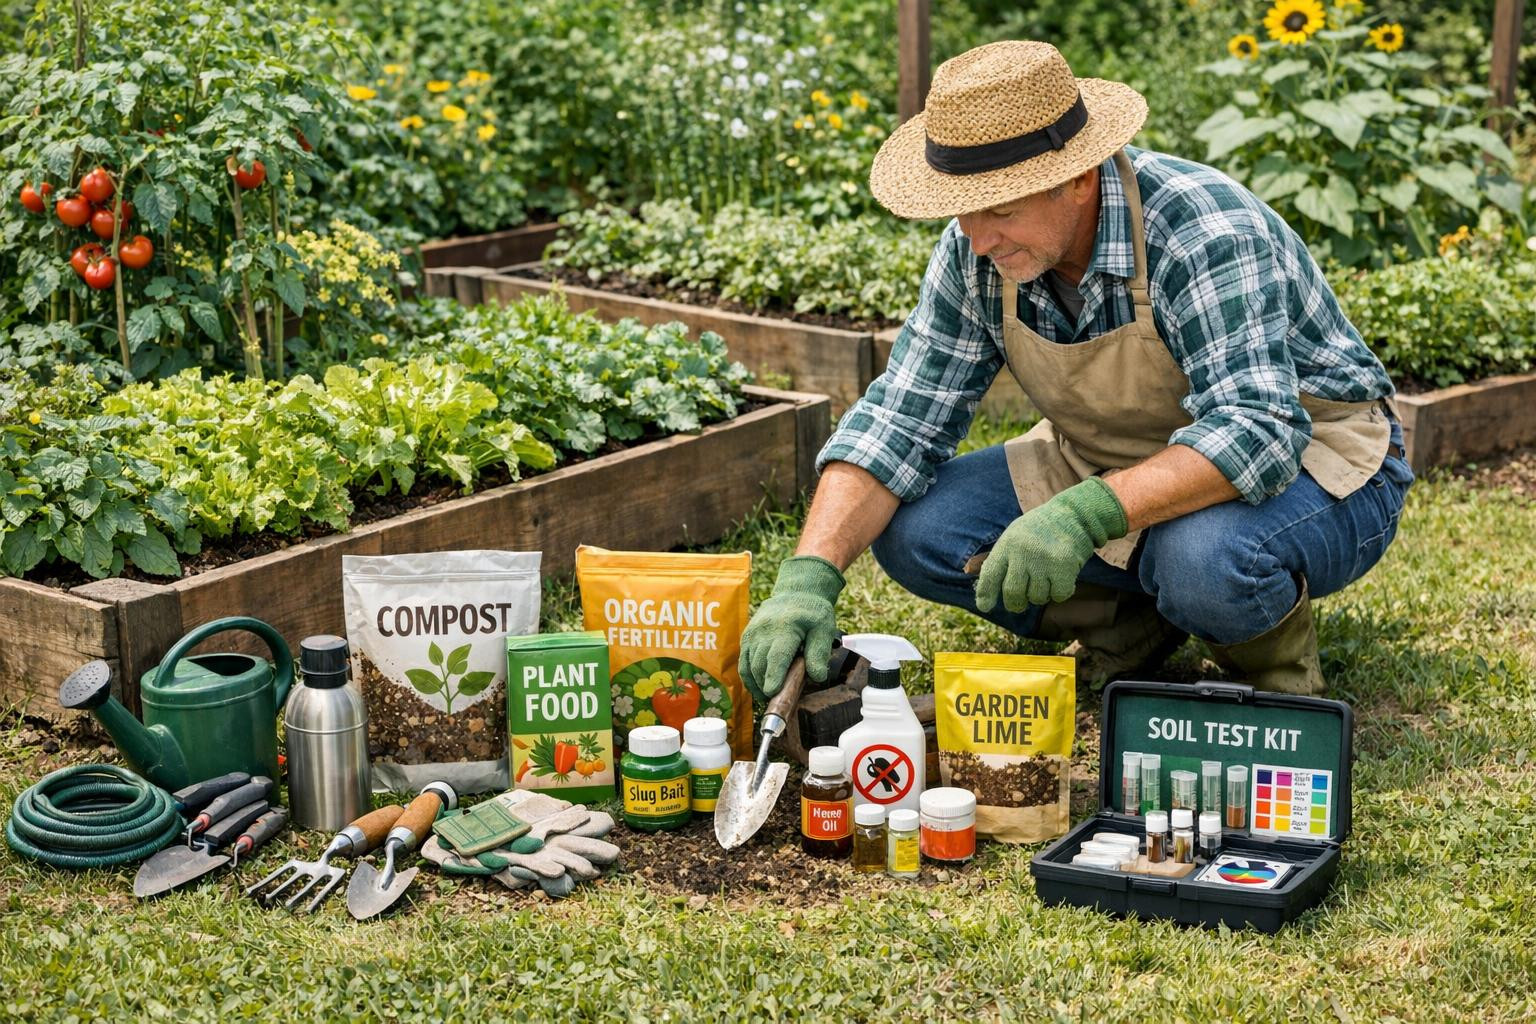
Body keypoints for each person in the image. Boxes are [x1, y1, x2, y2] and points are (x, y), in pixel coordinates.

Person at [738, 41, 1413, 701]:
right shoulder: (977, 249)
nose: (977, 238)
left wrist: (1083, 515)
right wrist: (808, 577)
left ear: (1079, 178)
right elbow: (898, 418)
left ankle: (1272, 676)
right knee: (920, 530)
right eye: (963, 209)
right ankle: (1134, 629)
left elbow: (1259, 433)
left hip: (1320, 462)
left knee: (1197, 559)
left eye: (1001, 208)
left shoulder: (1203, 230)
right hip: (1114, 458)